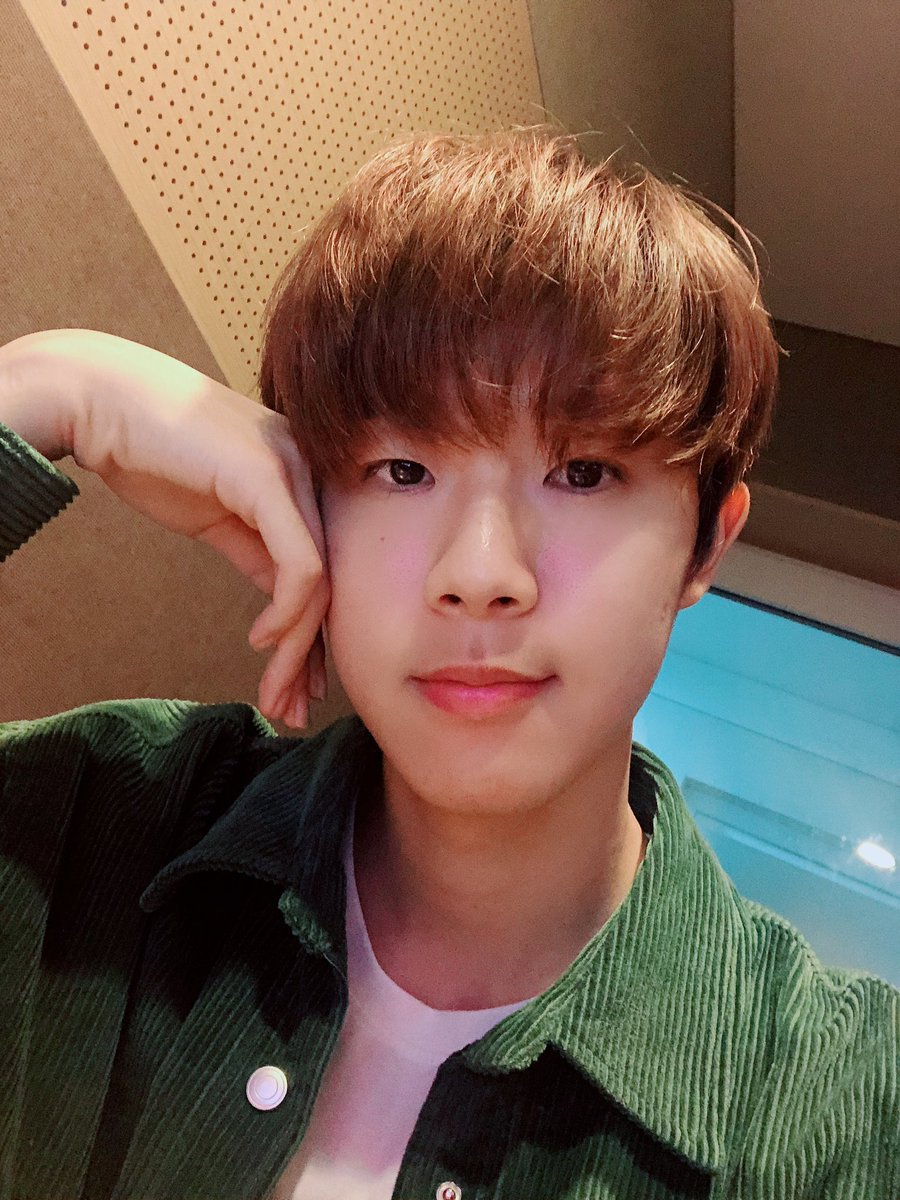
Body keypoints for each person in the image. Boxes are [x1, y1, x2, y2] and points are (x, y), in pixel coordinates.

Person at [0, 129, 895, 1200]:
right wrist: (44, 388)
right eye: (401, 467)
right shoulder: (94, 815)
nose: (479, 575)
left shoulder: (845, 1106)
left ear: (706, 546)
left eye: (584, 472)